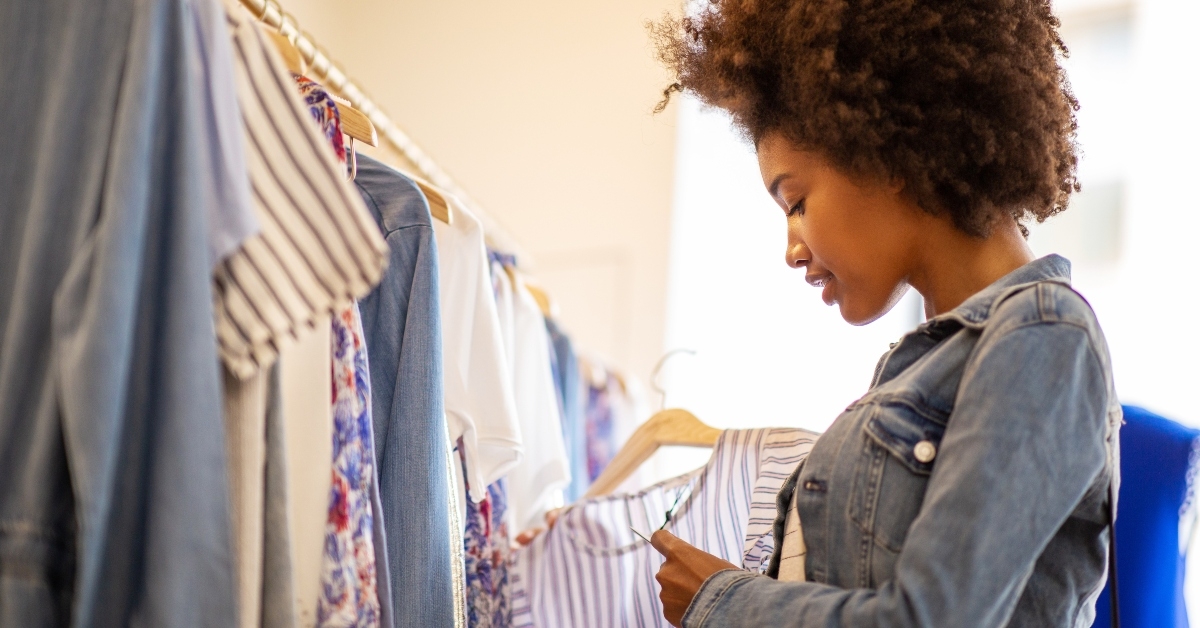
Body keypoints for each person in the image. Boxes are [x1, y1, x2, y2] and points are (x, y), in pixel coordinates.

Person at [646, 0, 1121, 626]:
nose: (791, 250)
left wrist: (720, 601)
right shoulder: (924, 366)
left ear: (882, 153)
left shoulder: (1043, 338)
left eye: (795, 202)